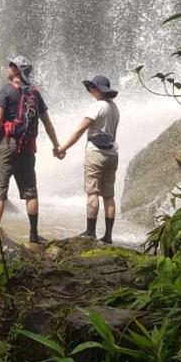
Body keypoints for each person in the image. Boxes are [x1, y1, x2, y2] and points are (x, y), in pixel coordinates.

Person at [0, 56, 62, 247]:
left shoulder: (6, 90)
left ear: (17, 70)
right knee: (30, 191)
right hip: (28, 148)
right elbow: (47, 122)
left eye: (11, 65)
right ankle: (33, 235)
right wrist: (56, 145)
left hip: (8, 144)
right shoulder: (35, 93)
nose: (8, 67)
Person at [55, 74, 120, 243]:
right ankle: (108, 236)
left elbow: (79, 130)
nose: (90, 91)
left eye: (92, 88)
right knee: (108, 195)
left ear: (97, 89)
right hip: (112, 153)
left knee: (93, 192)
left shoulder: (96, 107)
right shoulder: (115, 108)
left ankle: (90, 232)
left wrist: (63, 148)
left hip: (96, 152)